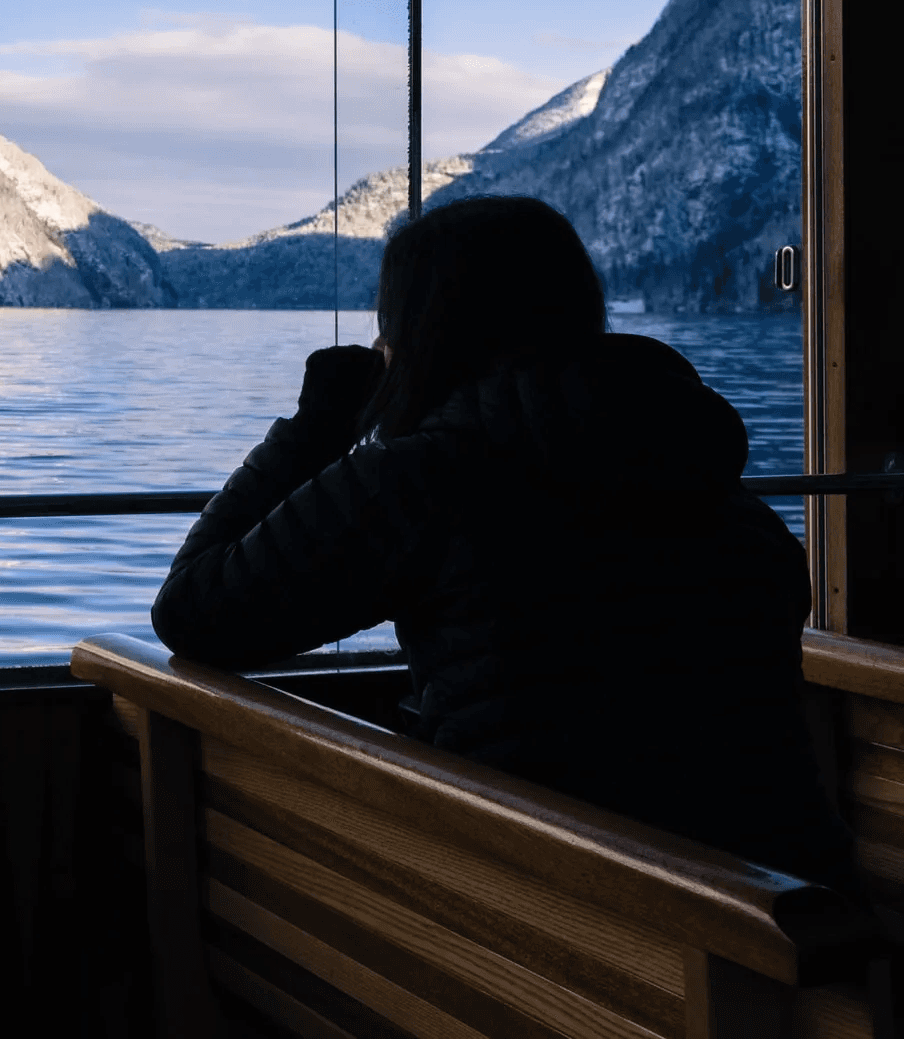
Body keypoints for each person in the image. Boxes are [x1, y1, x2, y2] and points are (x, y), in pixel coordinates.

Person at [151, 195, 853, 890]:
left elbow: (191, 610)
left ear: (421, 335)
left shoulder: (429, 477)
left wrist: (318, 426)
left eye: (386, 326)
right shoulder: (707, 475)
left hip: (561, 933)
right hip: (798, 922)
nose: (379, 350)